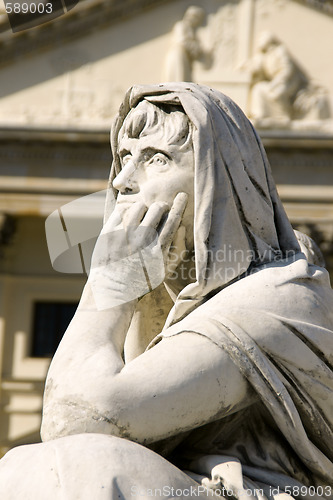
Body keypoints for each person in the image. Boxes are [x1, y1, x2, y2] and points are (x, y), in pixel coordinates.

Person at [0, 83, 333, 500]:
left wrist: (110, 284)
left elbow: (78, 416)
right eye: (123, 159)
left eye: (155, 159)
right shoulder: (157, 299)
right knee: (24, 467)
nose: (122, 181)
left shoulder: (284, 295)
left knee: (84, 464)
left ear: (220, 182)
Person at [163, 6, 210, 82]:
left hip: (184, 58)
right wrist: (195, 48)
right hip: (178, 55)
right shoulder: (180, 25)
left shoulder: (190, 30)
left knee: (185, 80)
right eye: (196, 18)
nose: (197, 21)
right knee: (179, 78)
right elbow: (182, 41)